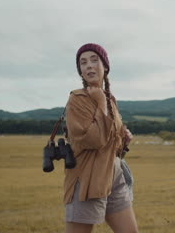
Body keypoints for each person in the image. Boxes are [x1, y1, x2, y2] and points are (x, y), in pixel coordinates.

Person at [64, 43, 138, 233]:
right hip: (88, 178)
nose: (88, 65)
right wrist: (100, 102)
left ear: (105, 66)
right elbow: (94, 140)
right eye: (83, 62)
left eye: (94, 60)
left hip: (114, 174)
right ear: (80, 71)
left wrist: (123, 140)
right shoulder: (77, 99)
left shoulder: (110, 99)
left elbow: (113, 147)